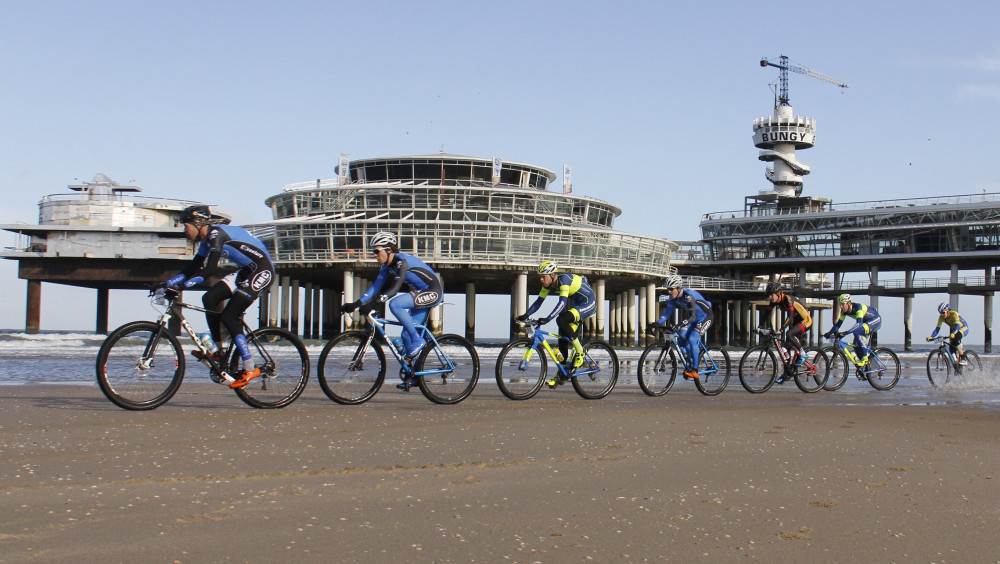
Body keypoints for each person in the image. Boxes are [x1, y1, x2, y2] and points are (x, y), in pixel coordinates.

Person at [162, 205, 275, 389]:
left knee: (230, 316)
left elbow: (210, 269)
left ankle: (249, 367)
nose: (184, 231)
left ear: (197, 223)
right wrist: (167, 284)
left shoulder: (216, 234)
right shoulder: (206, 242)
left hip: (262, 269)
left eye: (185, 226)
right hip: (246, 271)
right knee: (209, 299)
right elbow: (192, 268)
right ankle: (219, 351)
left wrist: (183, 286)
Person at [342, 231, 443, 369]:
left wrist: (375, 303)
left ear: (389, 250)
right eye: (373, 252)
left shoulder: (401, 262)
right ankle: (414, 372)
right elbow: (376, 287)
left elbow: (394, 289)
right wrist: (357, 303)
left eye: (377, 251)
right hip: (421, 293)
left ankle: (418, 340)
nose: (375, 255)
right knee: (406, 334)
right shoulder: (386, 267)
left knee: (395, 304)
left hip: (432, 291)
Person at [516, 261, 596, 387]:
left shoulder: (564, 280)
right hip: (577, 304)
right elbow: (538, 302)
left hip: (588, 303)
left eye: (544, 277)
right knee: (563, 340)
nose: (541, 280)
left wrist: (547, 319)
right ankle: (561, 375)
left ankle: (580, 351)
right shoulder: (547, 285)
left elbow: (562, 303)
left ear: (553, 275)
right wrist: (525, 315)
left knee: (561, 319)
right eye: (540, 277)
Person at [650, 274, 713, 380]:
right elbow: (667, 314)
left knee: (692, 339)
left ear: (679, 288)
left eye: (671, 289)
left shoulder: (689, 296)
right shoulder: (673, 298)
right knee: (681, 339)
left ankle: (695, 370)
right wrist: (656, 323)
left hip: (705, 317)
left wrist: (680, 325)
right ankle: (690, 360)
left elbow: (692, 316)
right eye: (667, 289)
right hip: (692, 319)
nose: (669, 291)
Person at [762, 281, 813, 368]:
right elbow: (767, 313)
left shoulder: (787, 299)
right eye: (769, 295)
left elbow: (790, 318)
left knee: (789, 333)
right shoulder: (774, 301)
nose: (770, 297)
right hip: (797, 322)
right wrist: (760, 326)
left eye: (771, 295)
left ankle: (803, 353)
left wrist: (782, 329)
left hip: (806, 320)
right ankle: (787, 373)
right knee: (786, 349)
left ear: (778, 293)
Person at [823, 293, 881, 367]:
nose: (841, 307)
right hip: (865, 323)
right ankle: (864, 367)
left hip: (875, 320)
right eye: (840, 304)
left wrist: (846, 333)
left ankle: (865, 358)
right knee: (856, 343)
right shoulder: (844, 311)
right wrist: (830, 332)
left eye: (842, 304)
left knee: (857, 332)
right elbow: (838, 324)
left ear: (849, 303)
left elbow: (859, 324)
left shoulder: (857, 307)